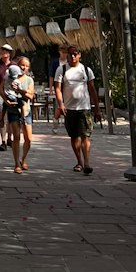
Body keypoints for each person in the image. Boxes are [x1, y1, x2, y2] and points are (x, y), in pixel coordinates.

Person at [56, 46, 99, 174]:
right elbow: (58, 88)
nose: (72, 57)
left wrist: (97, 108)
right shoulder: (62, 69)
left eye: (75, 54)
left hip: (84, 108)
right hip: (69, 108)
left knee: (85, 135)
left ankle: (86, 162)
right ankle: (79, 161)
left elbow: (92, 89)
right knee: (74, 136)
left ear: (79, 55)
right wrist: (61, 104)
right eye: (70, 54)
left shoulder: (86, 70)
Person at [5, 54, 35, 173]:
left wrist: (20, 91)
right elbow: (0, 89)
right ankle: (16, 163)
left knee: (28, 138)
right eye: (22, 65)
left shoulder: (29, 80)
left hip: (26, 111)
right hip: (13, 110)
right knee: (16, 137)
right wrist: (6, 99)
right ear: (18, 65)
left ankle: (24, 159)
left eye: (27, 66)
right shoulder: (9, 77)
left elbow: (30, 95)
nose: (24, 68)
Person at [48, 44, 69, 123]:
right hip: (58, 86)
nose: (64, 54)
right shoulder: (55, 63)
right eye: (62, 52)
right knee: (59, 105)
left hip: (68, 86)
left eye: (65, 52)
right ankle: (55, 120)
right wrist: (51, 88)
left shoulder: (69, 62)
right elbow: (51, 75)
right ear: (59, 52)